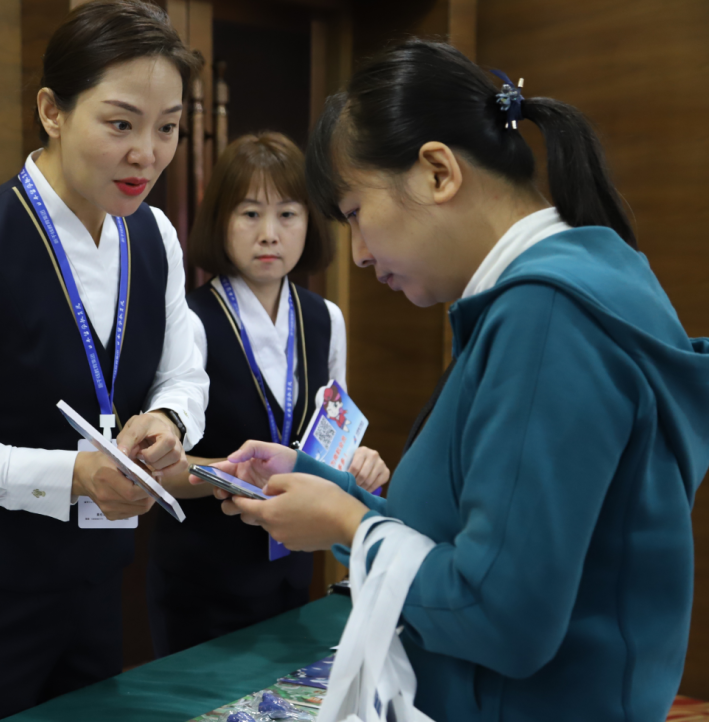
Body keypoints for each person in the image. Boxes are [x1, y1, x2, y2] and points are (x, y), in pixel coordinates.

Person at [204, 40, 709, 722]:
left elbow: (497, 612)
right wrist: (335, 494)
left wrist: (349, 523)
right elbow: (475, 542)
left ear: (439, 172)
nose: (357, 254)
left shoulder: (547, 315)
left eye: (355, 212)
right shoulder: (585, 278)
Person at [0, 1, 207, 718]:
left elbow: (185, 370)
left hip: (97, 595)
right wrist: (71, 474)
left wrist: (167, 419)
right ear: (52, 111)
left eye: (168, 128)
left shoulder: (154, 234)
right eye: (120, 123)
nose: (147, 154)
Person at [147, 132, 388, 657]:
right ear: (221, 222)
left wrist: (356, 463)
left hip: (292, 567)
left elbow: (327, 440)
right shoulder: (190, 319)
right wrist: (234, 474)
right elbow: (158, 469)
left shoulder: (326, 319)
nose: (269, 235)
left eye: (288, 214)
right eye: (249, 214)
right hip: (203, 577)